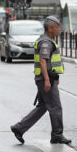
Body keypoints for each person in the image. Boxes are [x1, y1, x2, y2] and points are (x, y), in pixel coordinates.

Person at [10, 16, 71, 145]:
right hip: (44, 79)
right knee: (55, 107)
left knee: (43, 106)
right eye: (57, 27)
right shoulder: (46, 42)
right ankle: (57, 135)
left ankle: (19, 128)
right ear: (50, 29)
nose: (59, 29)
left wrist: (55, 77)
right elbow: (43, 62)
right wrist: (48, 80)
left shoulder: (47, 40)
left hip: (45, 78)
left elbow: (50, 63)